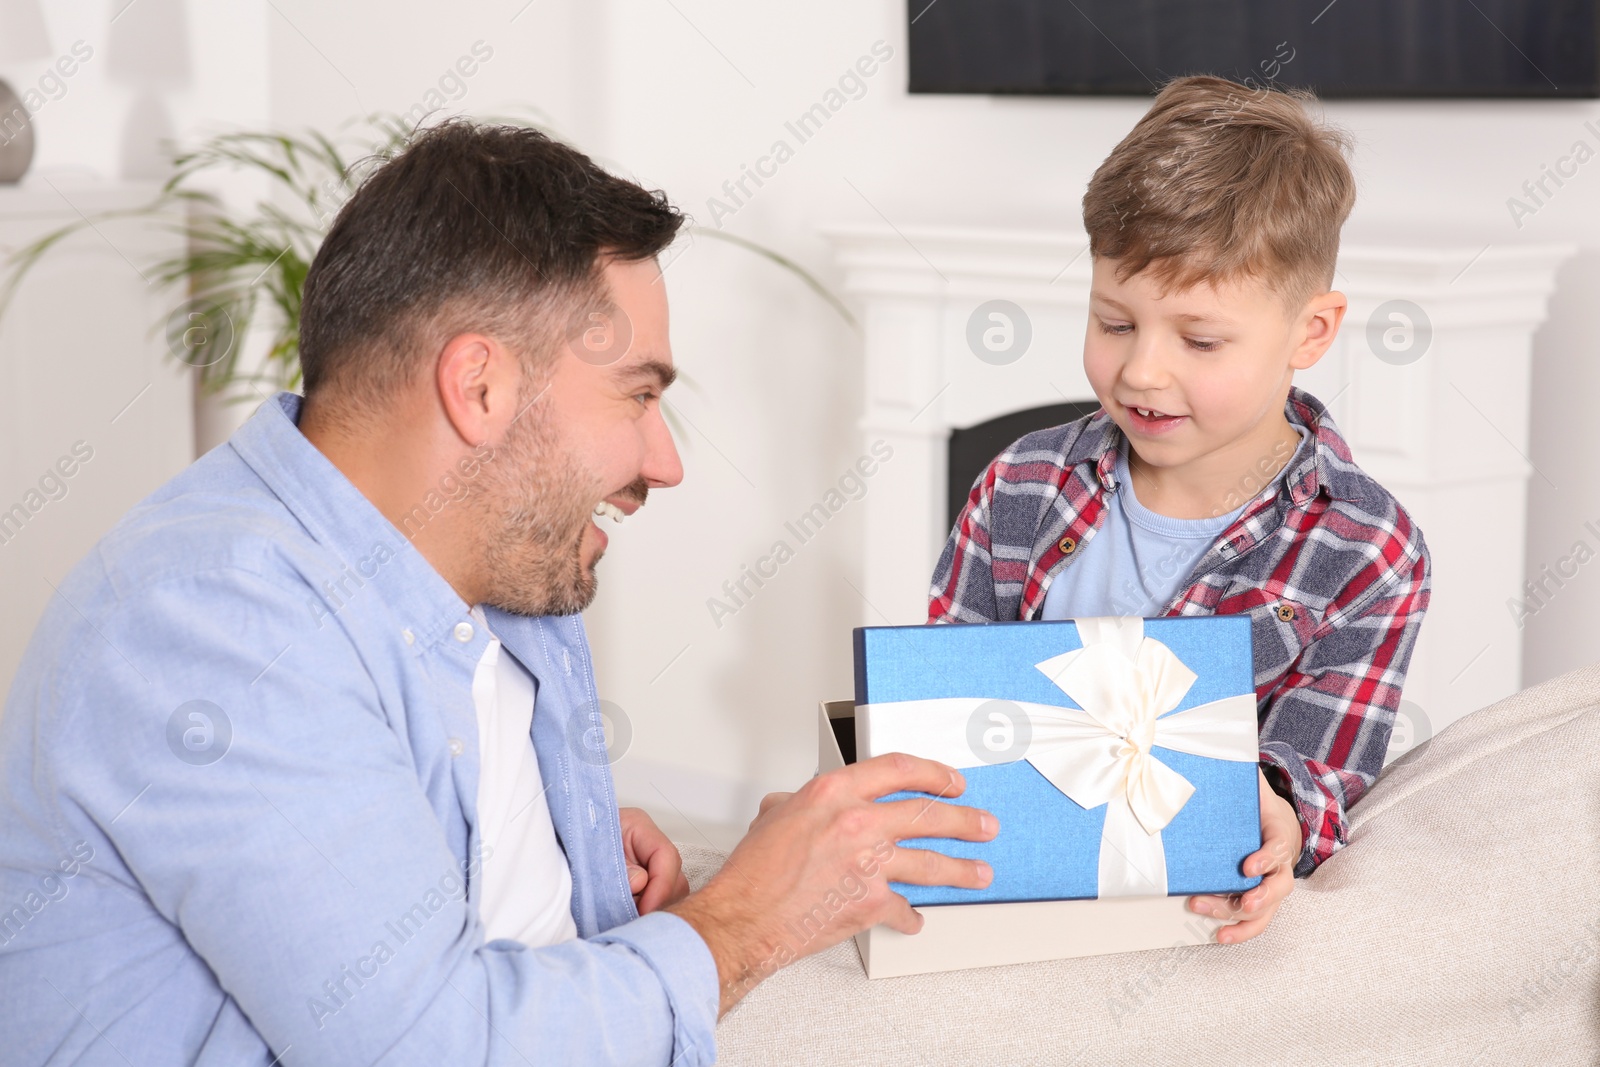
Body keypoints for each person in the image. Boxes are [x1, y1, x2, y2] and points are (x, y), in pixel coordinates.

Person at [0, 121, 997, 1066]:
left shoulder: (485, 567)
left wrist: (565, 853)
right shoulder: (216, 622)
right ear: (479, 388)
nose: (666, 460)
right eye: (639, 395)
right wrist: (748, 916)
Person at [929, 75, 1431, 943]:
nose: (1143, 372)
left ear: (1310, 333)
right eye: (1114, 323)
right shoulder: (1019, 486)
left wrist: (1280, 812)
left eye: (1199, 340)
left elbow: (1315, 765)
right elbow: (947, 705)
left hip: (1197, 904)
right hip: (1007, 879)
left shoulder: (1370, 550)